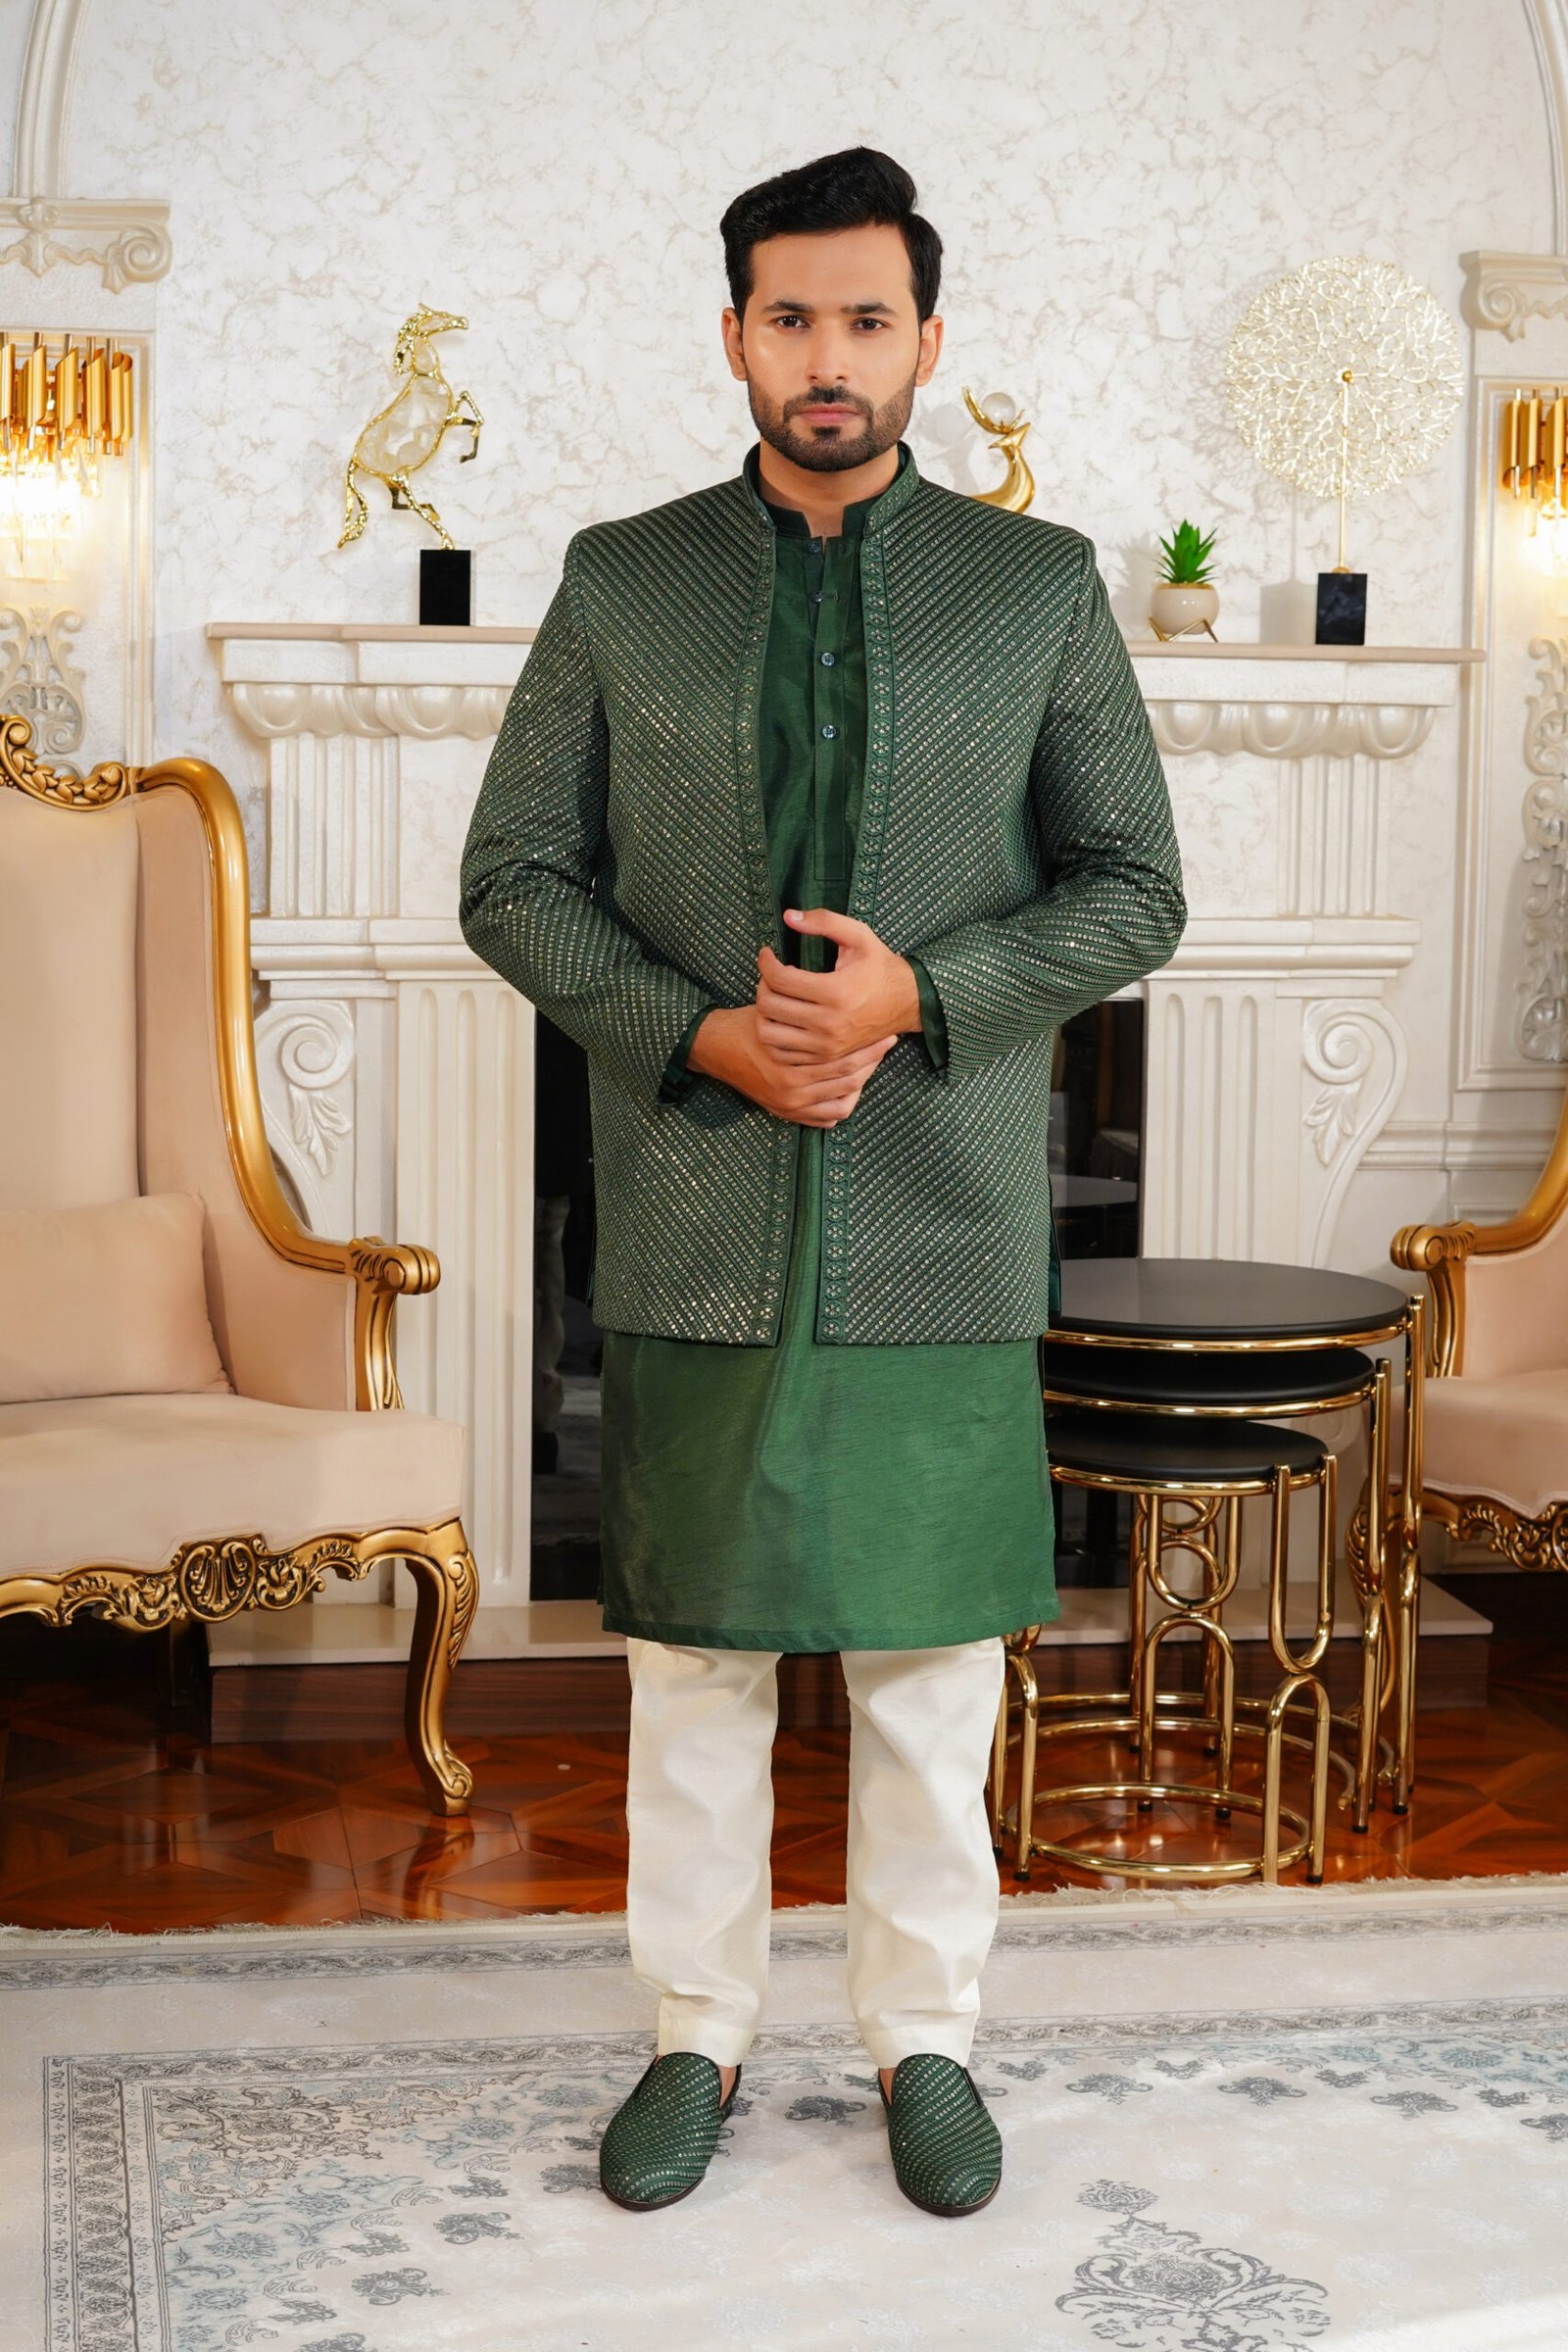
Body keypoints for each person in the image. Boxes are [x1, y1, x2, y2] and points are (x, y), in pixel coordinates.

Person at [460, 145, 1185, 2219]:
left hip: (941, 1216)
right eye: (790, 317)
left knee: (930, 1668)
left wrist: (912, 997)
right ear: (734, 338)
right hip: (693, 1206)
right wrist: (708, 1035)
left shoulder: (1032, 590)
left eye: (867, 318)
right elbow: (514, 877)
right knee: (690, 1660)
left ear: (927, 342)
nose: (828, 355)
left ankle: (922, 2043)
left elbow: (1133, 886)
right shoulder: (624, 581)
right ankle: (692, 2035)